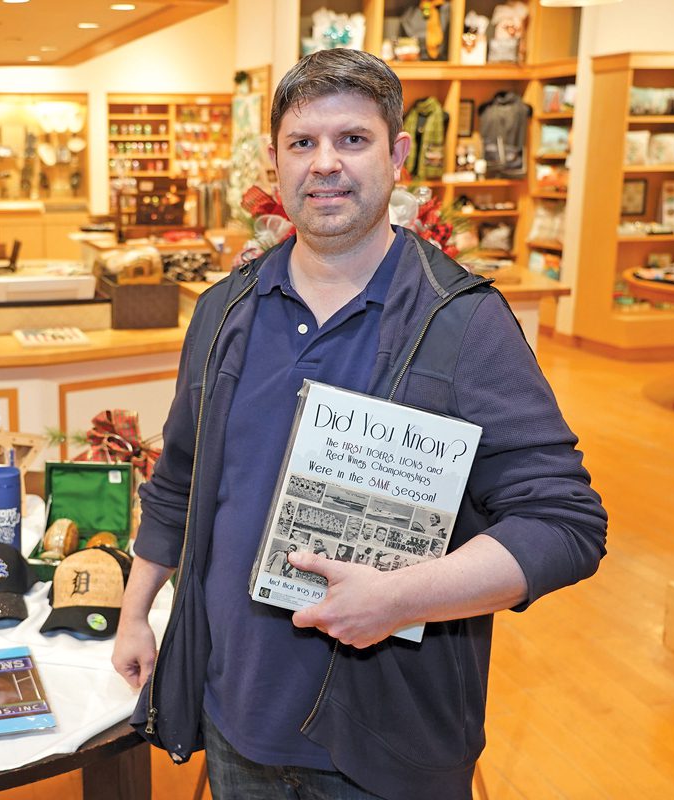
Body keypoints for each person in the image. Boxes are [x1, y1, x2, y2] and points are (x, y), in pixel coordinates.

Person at [111, 48, 606, 800]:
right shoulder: (223, 313)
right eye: (302, 144)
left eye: (353, 139)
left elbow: (565, 523)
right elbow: (179, 478)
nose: (325, 165)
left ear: (398, 155)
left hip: (386, 745)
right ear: (274, 163)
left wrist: (405, 597)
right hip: (236, 717)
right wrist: (136, 612)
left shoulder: (462, 322)